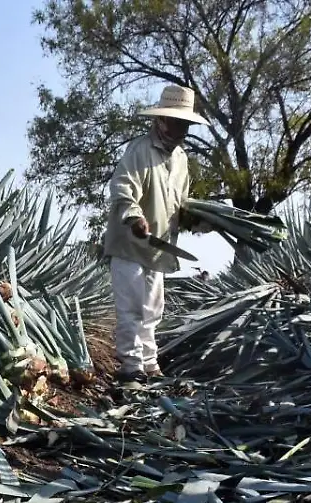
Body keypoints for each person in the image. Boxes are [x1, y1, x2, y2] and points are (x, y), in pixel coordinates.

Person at [103, 84, 212, 386]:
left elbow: (180, 204)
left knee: (152, 310)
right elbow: (123, 186)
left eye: (185, 125)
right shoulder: (140, 150)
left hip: (159, 247)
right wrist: (134, 217)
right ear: (161, 120)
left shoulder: (181, 160)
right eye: (177, 122)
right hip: (130, 244)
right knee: (131, 309)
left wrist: (198, 220)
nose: (182, 130)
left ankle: (150, 365)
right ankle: (131, 367)